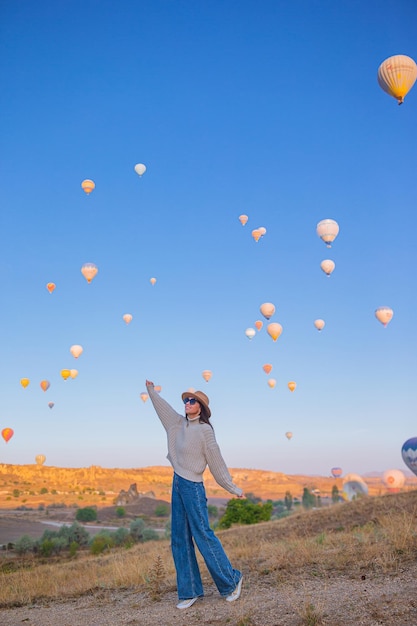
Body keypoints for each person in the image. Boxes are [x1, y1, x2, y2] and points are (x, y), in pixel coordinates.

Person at [145, 380, 244, 610]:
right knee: (179, 538)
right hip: (177, 483)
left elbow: (216, 462)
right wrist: (151, 391)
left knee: (203, 536)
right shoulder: (176, 424)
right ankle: (189, 591)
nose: (187, 403)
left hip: (193, 488)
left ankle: (231, 581)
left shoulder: (205, 430)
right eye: (186, 400)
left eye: (191, 401)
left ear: (201, 407)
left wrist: (232, 487)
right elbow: (163, 408)